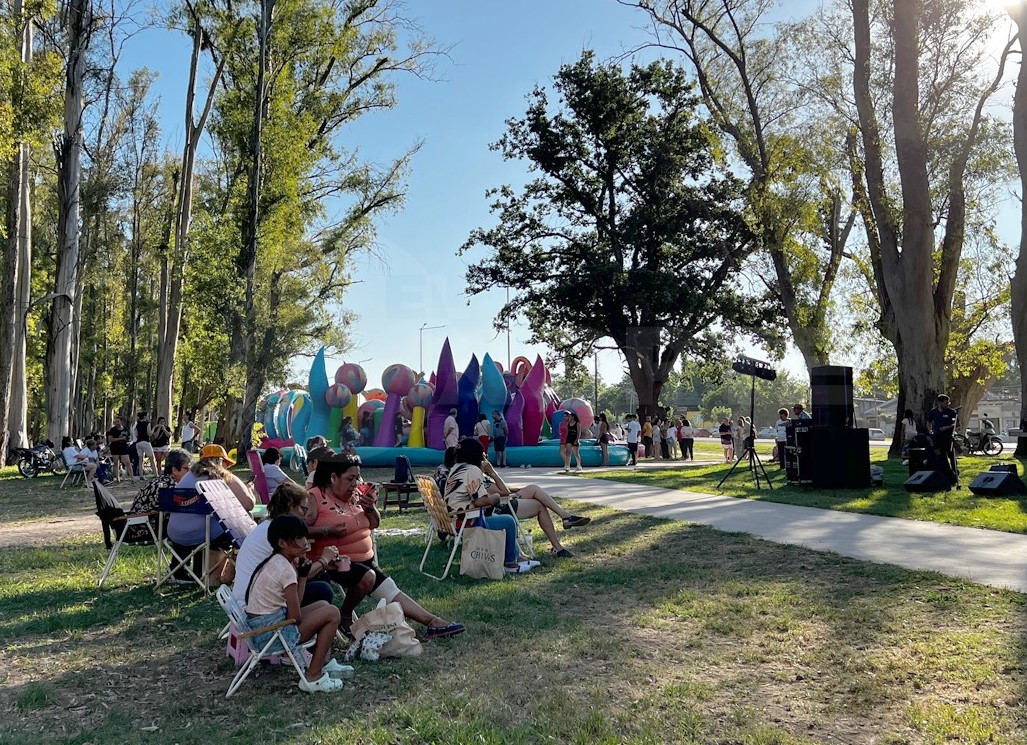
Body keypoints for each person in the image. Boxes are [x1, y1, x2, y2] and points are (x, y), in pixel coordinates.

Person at [307, 453, 465, 639]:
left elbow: (374, 523)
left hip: (364, 561)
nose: (354, 484)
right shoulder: (316, 497)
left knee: (390, 589)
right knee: (368, 577)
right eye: (350, 479)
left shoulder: (356, 494)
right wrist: (327, 531)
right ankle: (345, 615)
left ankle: (433, 623)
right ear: (333, 477)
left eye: (356, 478)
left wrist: (370, 509)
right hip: (334, 563)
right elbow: (301, 529)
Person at [243, 515, 346, 693]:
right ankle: (313, 676)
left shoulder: (278, 561)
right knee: (333, 613)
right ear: (282, 543)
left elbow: (296, 606)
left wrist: (304, 575)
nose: (305, 542)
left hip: (267, 627)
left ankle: (323, 663)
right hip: (272, 636)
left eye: (304, 536)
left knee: (322, 604)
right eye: (298, 538)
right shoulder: (285, 570)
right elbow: (295, 617)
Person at [466, 439, 590, 556]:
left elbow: (502, 490)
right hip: (498, 507)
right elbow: (503, 491)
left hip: (498, 503)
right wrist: (492, 472)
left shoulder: (470, 471)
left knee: (533, 488)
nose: (486, 455)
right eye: (483, 453)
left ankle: (565, 520)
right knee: (539, 505)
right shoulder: (476, 474)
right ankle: (561, 537)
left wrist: (517, 490)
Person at [234, 482, 337, 611]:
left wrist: (324, 564)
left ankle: (316, 623)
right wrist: (324, 560)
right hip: (256, 604)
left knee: (321, 576)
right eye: (303, 509)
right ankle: (304, 627)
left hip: (254, 594)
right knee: (322, 590)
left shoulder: (269, 527)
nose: (305, 515)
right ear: (290, 506)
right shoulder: (277, 535)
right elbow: (297, 575)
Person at [170, 444, 256, 587]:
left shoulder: (187, 477)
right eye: (225, 463)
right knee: (239, 525)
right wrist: (250, 490)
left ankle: (214, 576)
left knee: (216, 524)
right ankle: (220, 577)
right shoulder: (220, 475)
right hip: (203, 534)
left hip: (175, 535)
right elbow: (248, 504)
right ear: (220, 461)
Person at [444, 439, 541, 565]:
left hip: (452, 520)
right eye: (483, 454)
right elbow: (481, 501)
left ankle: (516, 556)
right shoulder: (472, 470)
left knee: (498, 517)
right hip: (465, 522)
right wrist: (495, 497)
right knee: (509, 521)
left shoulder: (456, 468)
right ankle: (510, 562)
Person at [927, 394, 959, 484]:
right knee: (941, 458)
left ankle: (956, 473)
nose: (947, 405)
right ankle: (947, 474)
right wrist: (930, 431)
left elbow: (957, 424)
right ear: (939, 403)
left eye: (948, 403)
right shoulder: (933, 412)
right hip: (937, 438)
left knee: (952, 457)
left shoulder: (951, 412)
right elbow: (928, 422)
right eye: (945, 403)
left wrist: (948, 427)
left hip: (948, 438)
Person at [107, 416, 134, 482]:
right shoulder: (112, 430)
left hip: (124, 447)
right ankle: (117, 478)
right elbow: (110, 439)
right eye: (115, 422)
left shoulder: (125, 429)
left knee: (127, 462)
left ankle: (132, 478)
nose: (117, 423)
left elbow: (128, 437)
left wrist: (128, 440)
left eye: (118, 421)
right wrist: (120, 439)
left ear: (121, 422)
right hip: (115, 448)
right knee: (116, 463)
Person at [133, 412, 158, 478]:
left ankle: (141, 475)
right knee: (152, 458)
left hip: (138, 443)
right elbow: (149, 433)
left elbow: (136, 435)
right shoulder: (147, 423)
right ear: (144, 416)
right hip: (145, 442)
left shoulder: (137, 424)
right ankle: (156, 474)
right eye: (147, 416)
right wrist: (154, 428)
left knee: (140, 459)